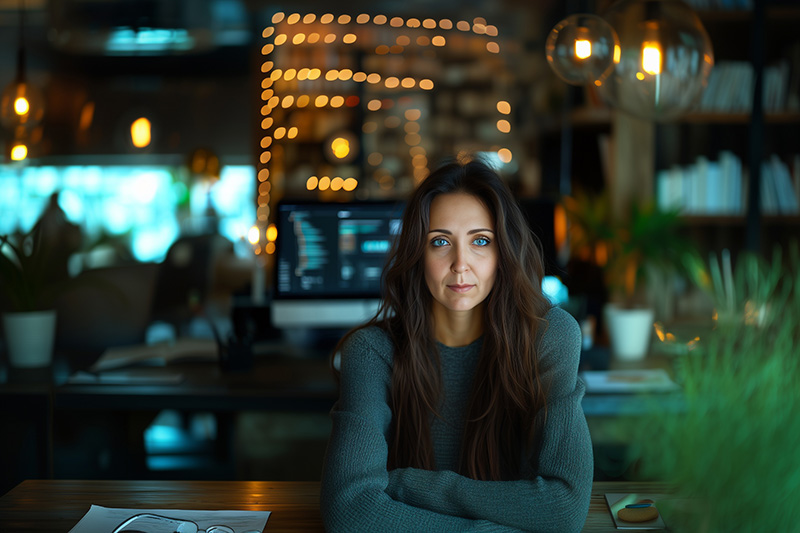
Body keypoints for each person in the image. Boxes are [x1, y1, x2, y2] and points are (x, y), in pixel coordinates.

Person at [320, 156, 593, 532]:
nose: (460, 264)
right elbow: (349, 512)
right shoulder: (371, 352)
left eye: (481, 241)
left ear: (503, 253)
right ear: (418, 254)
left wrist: (407, 483)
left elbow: (564, 509)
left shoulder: (549, 336)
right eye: (440, 242)